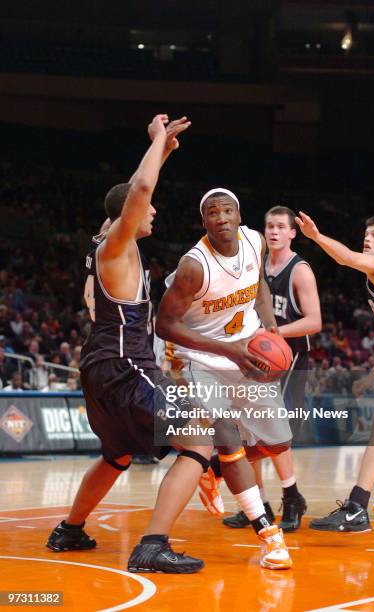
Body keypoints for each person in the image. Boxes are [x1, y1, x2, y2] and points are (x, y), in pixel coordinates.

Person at [47, 114, 219, 574]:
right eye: (150, 207)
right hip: (126, 364)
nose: (155, 211)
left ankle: (69, 529)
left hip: (101, 366)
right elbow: (139, 193)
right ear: (130, 214)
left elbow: (134, 193)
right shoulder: (117, 244)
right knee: (202, 440)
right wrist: (156, 140)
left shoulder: (107, 240)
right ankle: (153, 545)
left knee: (116, 454)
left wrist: (162, 151)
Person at [156, 188, 293, 569]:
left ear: (238, 215)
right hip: (195, 357)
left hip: (245, 346)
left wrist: (271, 327)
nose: (221, 218)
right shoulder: (194, 266)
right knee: (228, 438)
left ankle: (211, 469)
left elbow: (260, 286)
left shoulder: (255, 241)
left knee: (279, 442)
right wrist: (228, 351)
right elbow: (164, 325)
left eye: (227, 210)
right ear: (205, 222)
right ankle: (269, 535)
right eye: (213, 213)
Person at [296, 212, 374, 531]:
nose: (367, 238)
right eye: (366, 233)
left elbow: (345, 258)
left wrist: (316, 236)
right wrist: (370, 377)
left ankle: (357, 507)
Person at [223, 205, 321, 531]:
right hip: (256, 361)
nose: (274, 231)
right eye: (270, 226)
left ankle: (292, 497)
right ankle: (258, 505)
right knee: (247, 436)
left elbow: (314, 321)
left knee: (277, 434)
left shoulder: (300, 270)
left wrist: (273, 333)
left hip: (290, 360)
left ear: (293, 233)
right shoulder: (256, 265)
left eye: (281, 226)